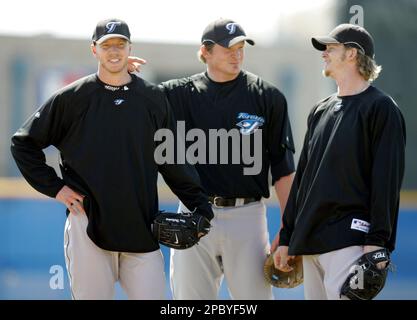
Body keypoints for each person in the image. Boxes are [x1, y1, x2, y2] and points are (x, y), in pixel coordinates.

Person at [10, 18, 213, 300]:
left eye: (120, 44)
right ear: (94, 50)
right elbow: (23, 144)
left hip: (142, 227)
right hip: (88, 224)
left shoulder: (152, 99)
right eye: (107, 45)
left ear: (130, 48)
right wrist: (55, 188)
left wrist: (200, 206)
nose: (114, 51)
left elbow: (172, 160)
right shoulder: (72, 98)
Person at [131, 18, 295, 300]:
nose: (237, 54)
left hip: (248, 216)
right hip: (195, 213)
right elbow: (133, 109)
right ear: (205, 51)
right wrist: (123, 74)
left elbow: (283, 170)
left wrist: (289, 229)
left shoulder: (268, 97)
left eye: (241, 47)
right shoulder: (176, 94)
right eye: (229, 48)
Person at [273, 24, 406, 300]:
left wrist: (377, 243)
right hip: (311, 243)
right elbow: (304, 181)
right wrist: (287, 238)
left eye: (331, 48)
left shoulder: (381, 109)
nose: (324, 54)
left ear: (352, 55)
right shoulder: (320, 110)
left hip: (351, 241)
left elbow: (386, 180)